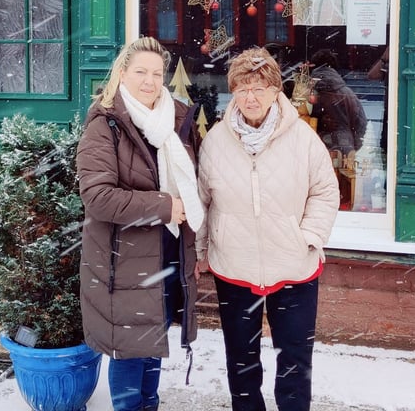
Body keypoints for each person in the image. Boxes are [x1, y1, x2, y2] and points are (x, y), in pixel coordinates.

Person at [197, 47, 340, 411]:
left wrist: (309, 237)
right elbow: (202, 202)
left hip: (294, 267)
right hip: (234, 268)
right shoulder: (215, 141)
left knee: (294, 362)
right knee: (241, 363)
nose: (251, 97)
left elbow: (325, 191)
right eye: (242, 88)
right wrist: (201, 252)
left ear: (276, 91)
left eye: (260, 88)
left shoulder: (304, 140)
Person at [77, 37, 204, 411]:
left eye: (156, 73)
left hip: (168, 255)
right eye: (140, 72)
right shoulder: (105, 124)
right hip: (123, 262)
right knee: (131, 354)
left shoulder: (177, 119)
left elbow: (194, 184)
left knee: (153, 346)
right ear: (122, 73)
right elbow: (98, 198)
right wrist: (164, 208)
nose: (150, 81)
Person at [309, 49, 368, 155]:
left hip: (314, 147)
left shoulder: (307, 93)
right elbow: (361, 123)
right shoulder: (347, 93)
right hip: (345, 147)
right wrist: (353, 146)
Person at [366, 45, 389, 157]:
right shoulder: (387, 62)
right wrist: (384, 59)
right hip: (388, 111)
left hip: (393, 110)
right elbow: (372, 75)